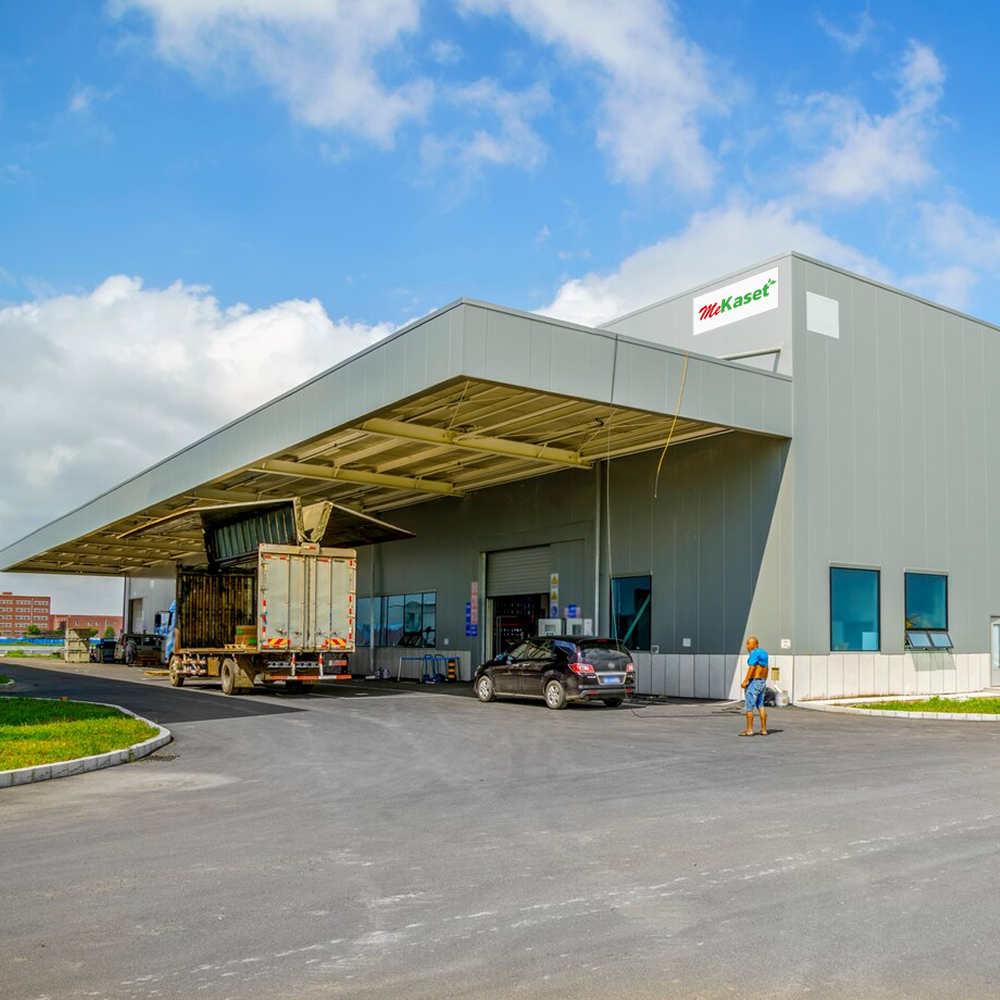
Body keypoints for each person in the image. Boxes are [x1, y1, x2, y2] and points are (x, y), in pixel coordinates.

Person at [740, 636, 769, 736]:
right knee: (760, 706)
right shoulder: (764, 653)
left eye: (749, 643)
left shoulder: (754, 653)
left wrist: (745, 681)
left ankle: (749, 730)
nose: (747, 646)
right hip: (762, 681)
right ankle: (764, 730)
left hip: (755, 682)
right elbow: (766, 668)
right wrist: (764, 680)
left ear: (755, 644)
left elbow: (752, 668)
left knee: (749, 707)